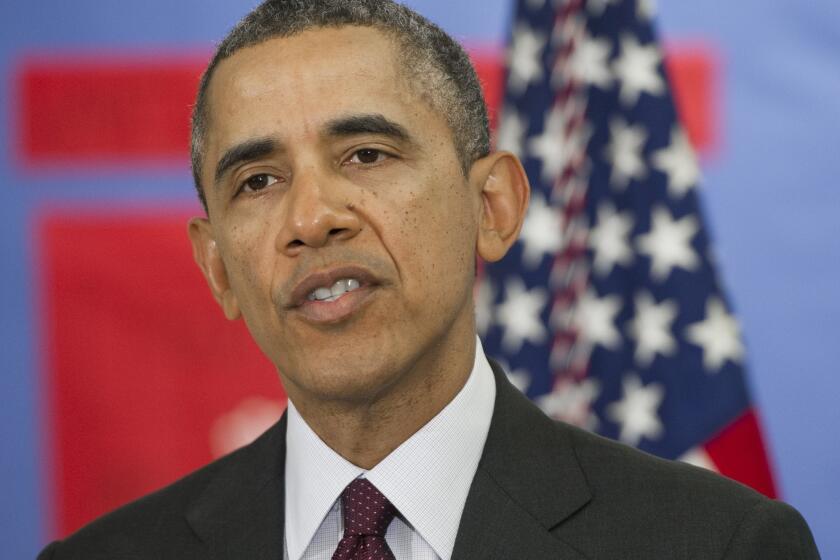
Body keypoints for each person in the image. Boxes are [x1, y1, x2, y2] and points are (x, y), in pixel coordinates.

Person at [39, 1, 820, 558]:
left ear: (494, 206)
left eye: (367, 156)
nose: (313, 218)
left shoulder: (717, 545)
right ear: (219, 269)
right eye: (258, 181)